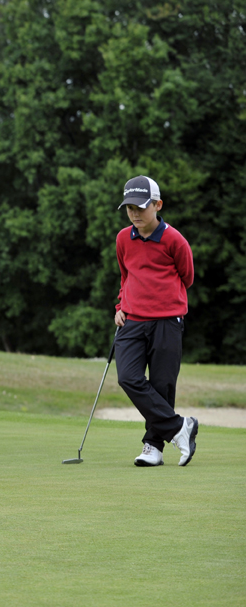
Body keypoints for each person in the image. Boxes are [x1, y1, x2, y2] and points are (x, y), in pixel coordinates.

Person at [114, 175, 197, 467]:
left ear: (157, 205)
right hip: (132, 320)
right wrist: (120, 305)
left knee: (162, 384)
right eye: (130, 208)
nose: (135, 213)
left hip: (167, 320)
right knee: (128, 377)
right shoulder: (123, 238)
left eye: (141, 207)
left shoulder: (174, 239)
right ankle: (179, 427)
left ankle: (153, 447)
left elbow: (187, 277)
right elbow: (126, 276)